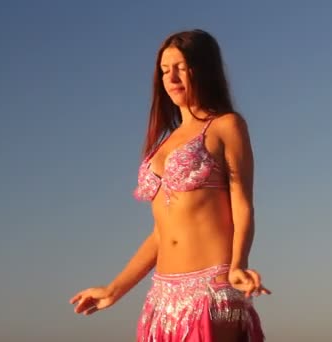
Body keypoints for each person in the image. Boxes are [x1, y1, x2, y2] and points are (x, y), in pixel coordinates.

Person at [69, 29, 271, 342]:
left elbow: (242, 205)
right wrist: (114, 289)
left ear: (203, 69)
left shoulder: (226, 126)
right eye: (165, 70)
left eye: (181, 67)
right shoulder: (162, 143)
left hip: (210, 289)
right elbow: (162, 233)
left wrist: (238, 265)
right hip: (161, 297)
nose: (172, 77)